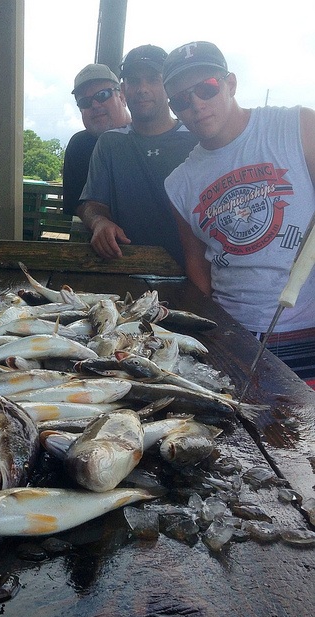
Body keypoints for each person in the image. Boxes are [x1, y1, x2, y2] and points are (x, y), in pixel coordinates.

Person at [163, 41, 315, 387]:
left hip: (304, 328)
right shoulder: (178, 184)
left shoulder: (299, 125)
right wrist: (210, 331)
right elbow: (198, 266)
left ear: (230, 84)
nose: (197, 105)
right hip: (232, 333)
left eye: (207, 88)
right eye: (182, 100)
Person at [78, 45, 198, 266]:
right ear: (124, 90)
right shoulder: (109, 143)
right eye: (134, 81)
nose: (142, 89)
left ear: (169, 86)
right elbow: (92, 204)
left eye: (153, 79)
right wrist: (99, 222)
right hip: (125, 266)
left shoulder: (196, 138)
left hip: (190, 268)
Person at [62, 63, 130, 218]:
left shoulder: (148, 136)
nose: (94, 105)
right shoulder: (79, 146)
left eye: (103, 95)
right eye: (85, 102)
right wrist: (98, 221)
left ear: (122, 96)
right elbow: (76, 204)